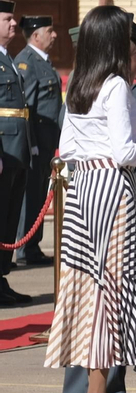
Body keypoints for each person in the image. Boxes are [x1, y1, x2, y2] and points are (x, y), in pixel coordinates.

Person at [43, 5, 136, 393]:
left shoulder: (80, 82)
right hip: (112, 191)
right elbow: (123, 152)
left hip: (81, 194)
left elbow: (66, 148)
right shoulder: (114, 84)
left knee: (91, 297)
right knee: (111, 299)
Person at [16, 15, 62, 267]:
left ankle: (31, 246)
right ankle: (25, 248)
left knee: (39, 194)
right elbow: (26, 109)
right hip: (36, 142)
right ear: (35, 36)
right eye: (50, 31)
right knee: (31, 195)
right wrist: (30, 143)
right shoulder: (26, 63)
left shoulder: (43, 61)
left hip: (46, 142)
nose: (54, 35)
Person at [0, 0, 37, 306]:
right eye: (7, 19)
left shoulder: (8, 58)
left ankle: (2, 277)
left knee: (10, 217)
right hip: (4, 150)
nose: (14, 24)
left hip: (17, 148)